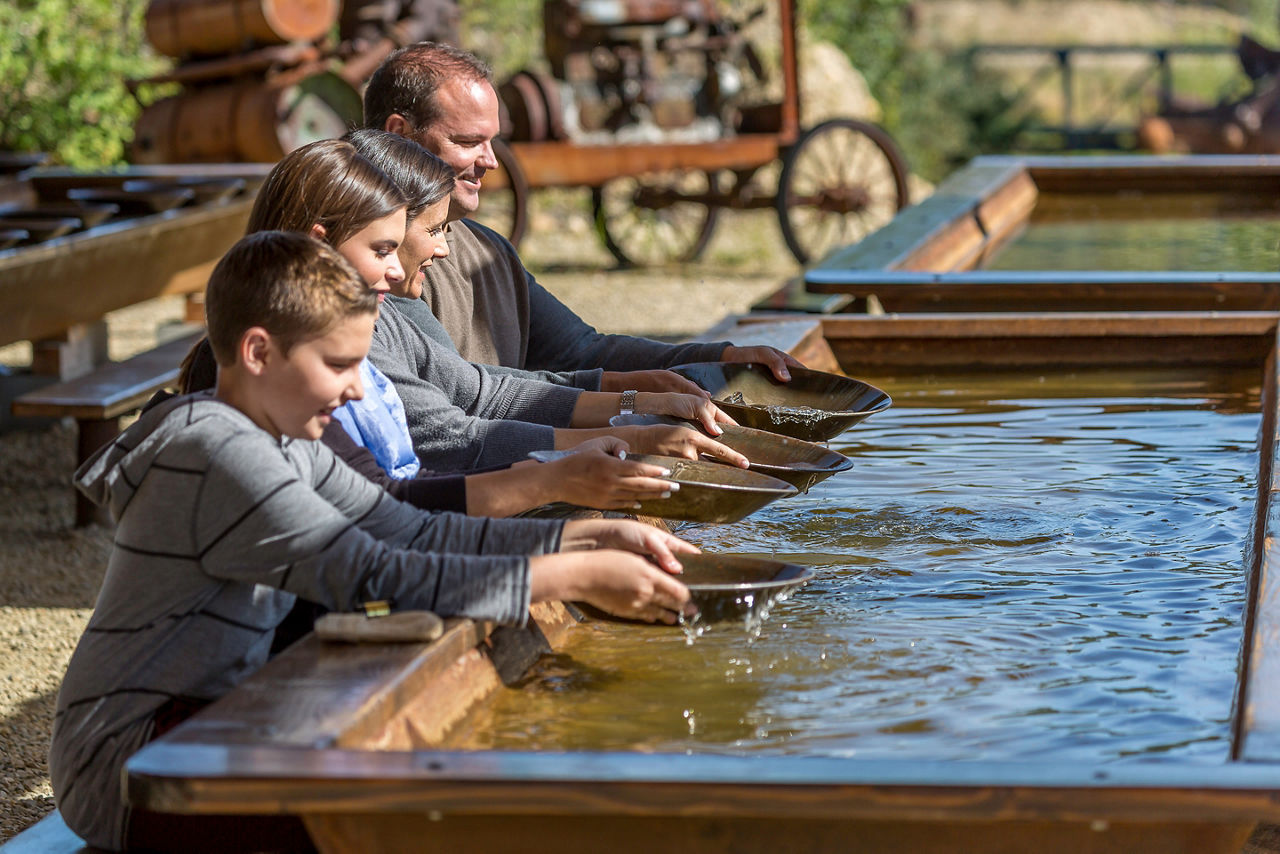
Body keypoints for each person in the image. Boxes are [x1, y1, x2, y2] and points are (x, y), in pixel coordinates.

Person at [50, 231, 697, 852]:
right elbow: (373, 575)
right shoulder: (216, 452)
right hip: (135, 764)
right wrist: (574, 577)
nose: (357, 388)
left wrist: (581, 535)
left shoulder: (284, 436)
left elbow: (409, 527)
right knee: (434, 818)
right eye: (340, 364)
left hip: (213, 720)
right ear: (257, 352)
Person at [179, 137, 702, 514]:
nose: (436, 250)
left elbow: (471, 402)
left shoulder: (371, 317)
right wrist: (555, 478)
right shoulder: (281, 376)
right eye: (386, 247)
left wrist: (628, 409)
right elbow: (405, 497)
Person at [362, 41, 805, 391]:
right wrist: (624, 393)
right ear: (399, 132)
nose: (491, 161)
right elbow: (467, 395)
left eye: (492, 141)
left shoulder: (489, 252)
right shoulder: (376, 261)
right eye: (467, 141)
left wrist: (721, 358)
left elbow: (582, 350)